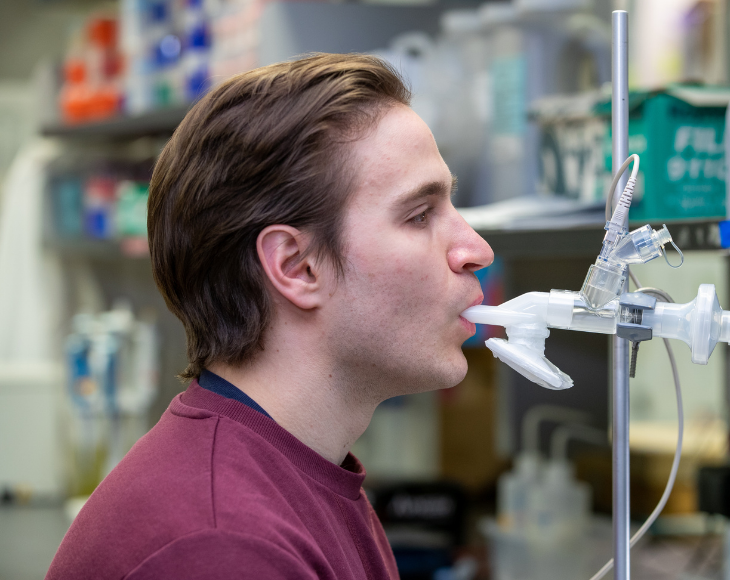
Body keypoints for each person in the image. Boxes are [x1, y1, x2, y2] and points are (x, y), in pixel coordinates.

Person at [47, 53, 493, 579]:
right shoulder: (221, 547)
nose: (476, 249)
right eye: (420, 215)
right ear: (297, 266)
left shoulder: (303, 475)